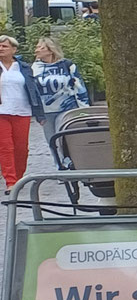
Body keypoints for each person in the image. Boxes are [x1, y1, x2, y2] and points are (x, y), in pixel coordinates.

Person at [0, 36, 46, 187]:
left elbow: (33, 90)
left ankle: (19, 178)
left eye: (5, 46)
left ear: (14, 49)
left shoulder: (24, 67)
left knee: (21, 149)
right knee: (5, 147)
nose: (1, 48)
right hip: (2, 112)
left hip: (22, 111)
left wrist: (39, 114)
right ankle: (11, 182)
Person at [30, 36, 91, 138]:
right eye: (37, 47)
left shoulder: (67, 65)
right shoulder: (34, 67)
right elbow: (33, 91)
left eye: (41, 47)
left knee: (66, 139)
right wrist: (37, 112)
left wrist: (84, 109)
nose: (37, 50)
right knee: (51, 140)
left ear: (51, 50)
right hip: (46, 111)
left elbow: (79, 87)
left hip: (67, 109)